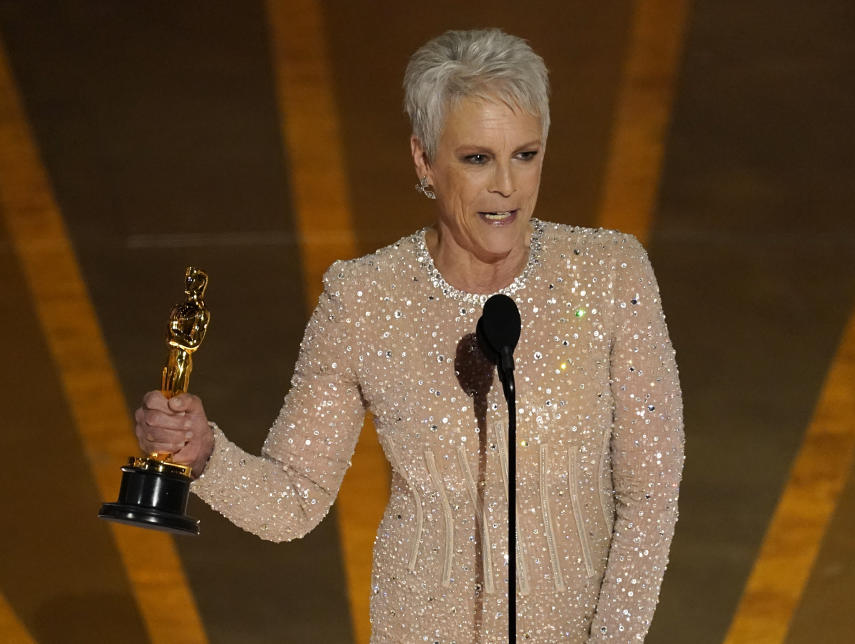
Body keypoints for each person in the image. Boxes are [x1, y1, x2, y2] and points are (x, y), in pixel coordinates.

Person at [135, 28, 684, 642]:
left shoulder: (610, 274)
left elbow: (650, 495)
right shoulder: (364, 300)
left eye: (525, 155)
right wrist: (206, 455)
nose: (507, 185)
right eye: (477, 158)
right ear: (424, 160)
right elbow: (294, 499)